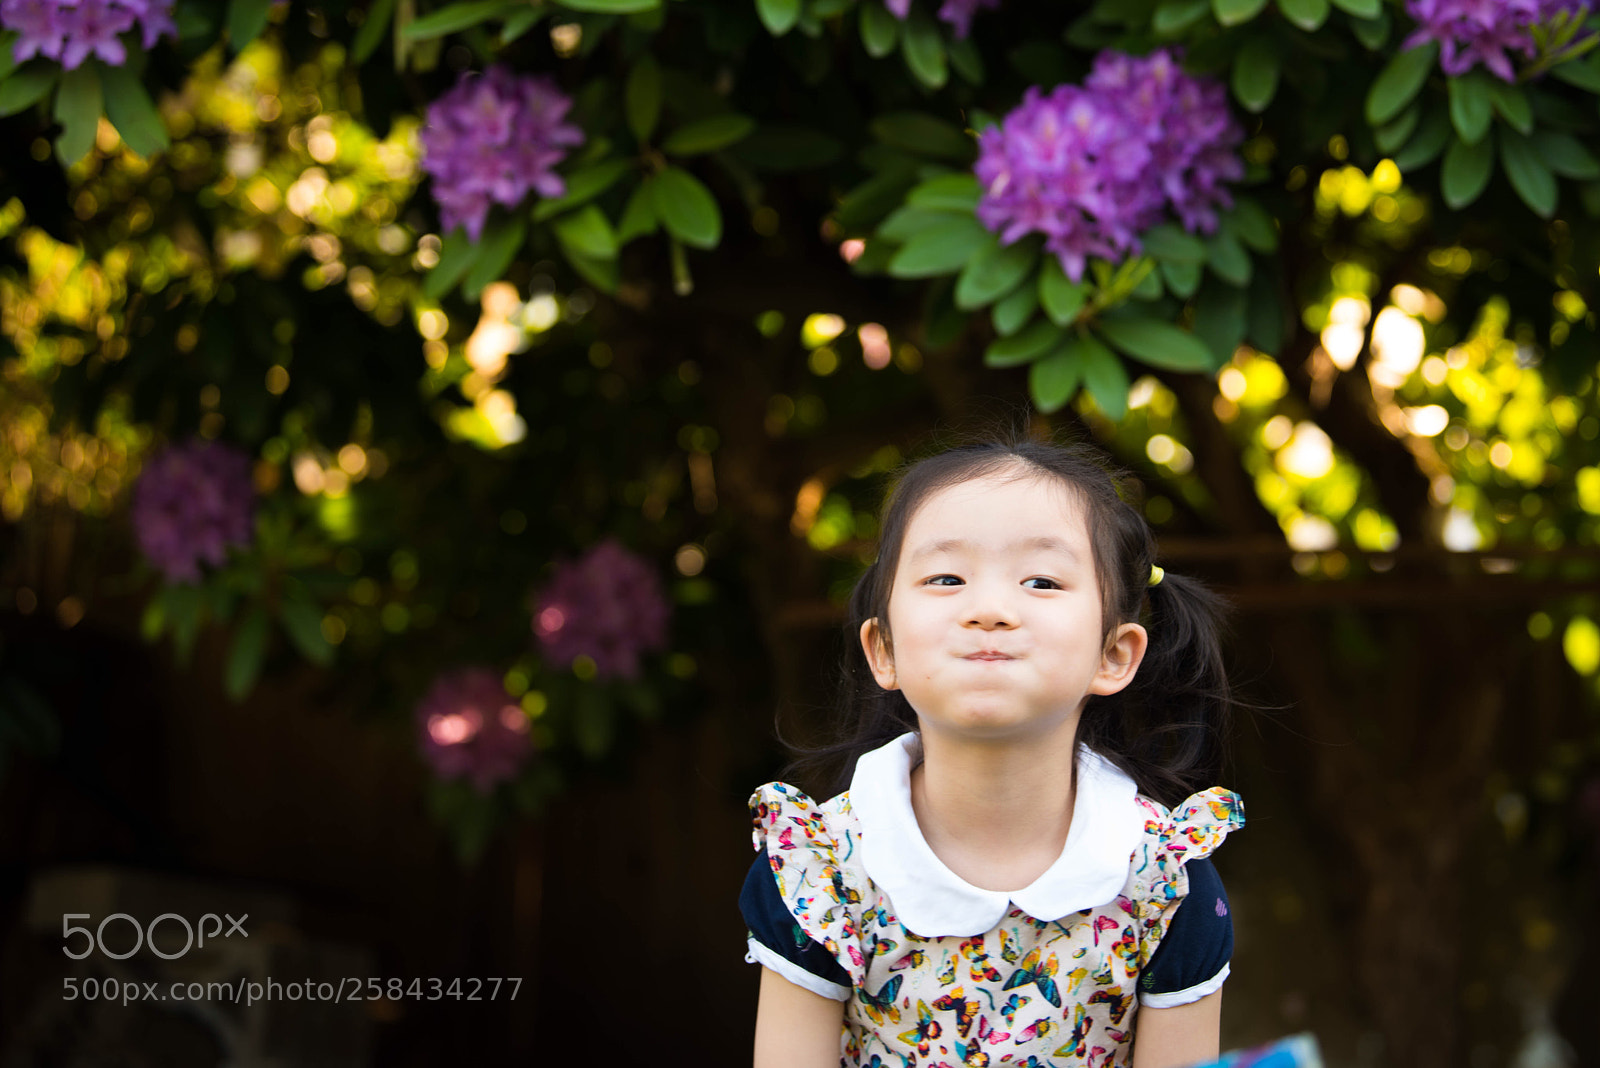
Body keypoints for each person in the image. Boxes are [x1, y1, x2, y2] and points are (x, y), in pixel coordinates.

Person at [741, 434, 1245, 1068]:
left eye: (1041, 580)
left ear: (1114, 654)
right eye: (946, 577)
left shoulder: (1166, 885)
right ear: (884, 650)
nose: (989, 609)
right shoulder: (819, 873)